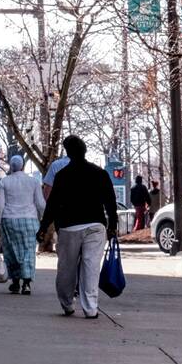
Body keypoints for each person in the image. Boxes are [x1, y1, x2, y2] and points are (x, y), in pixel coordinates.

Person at [38, 135, 117, 319]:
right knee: (90, 266)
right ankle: (91, 308)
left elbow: (52, 204)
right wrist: (112, 225)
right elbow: (110, 202)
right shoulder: (100, 173)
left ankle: (67, 304)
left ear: (68, 153)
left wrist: (43, 227)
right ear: (85, 151)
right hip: (95, 226)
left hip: (68, 227)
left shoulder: (62, 176)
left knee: (67, 268)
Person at [0, 155, 46, 295]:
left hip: (9, 220)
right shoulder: (34, 182)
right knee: (28, 252)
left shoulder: (4, 182)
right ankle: (27, 283)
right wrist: (44, 220)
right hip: (29, 220)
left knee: (11, 251)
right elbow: (40, 203)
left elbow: (0, 205)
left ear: (11, 167)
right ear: (23, 166)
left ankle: (15, 282)